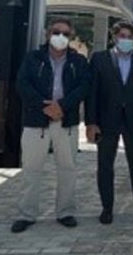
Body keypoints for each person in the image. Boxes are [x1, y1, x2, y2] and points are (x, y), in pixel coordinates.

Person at [12, 18, 91, 233]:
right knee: (31, 169)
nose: (61, 37)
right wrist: (42, 105)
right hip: (36, 120)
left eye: (66, 34)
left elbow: (84, 86)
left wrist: (62, 106)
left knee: (67, 168)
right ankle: (26, 214)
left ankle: (65, 212)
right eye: (57, 32)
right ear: (48, 34)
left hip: (66, 122)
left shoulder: (78, 61)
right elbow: (22, 84)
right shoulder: (33, 58)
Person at [86, 22, 133, 226]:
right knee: (105, 166)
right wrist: (91, 122)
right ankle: (107, 208)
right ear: (114, 37)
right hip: (106, 121)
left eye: (129, 36)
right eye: (121, 35)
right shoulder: (100, 58)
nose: (125, 39)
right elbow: (91, 92)